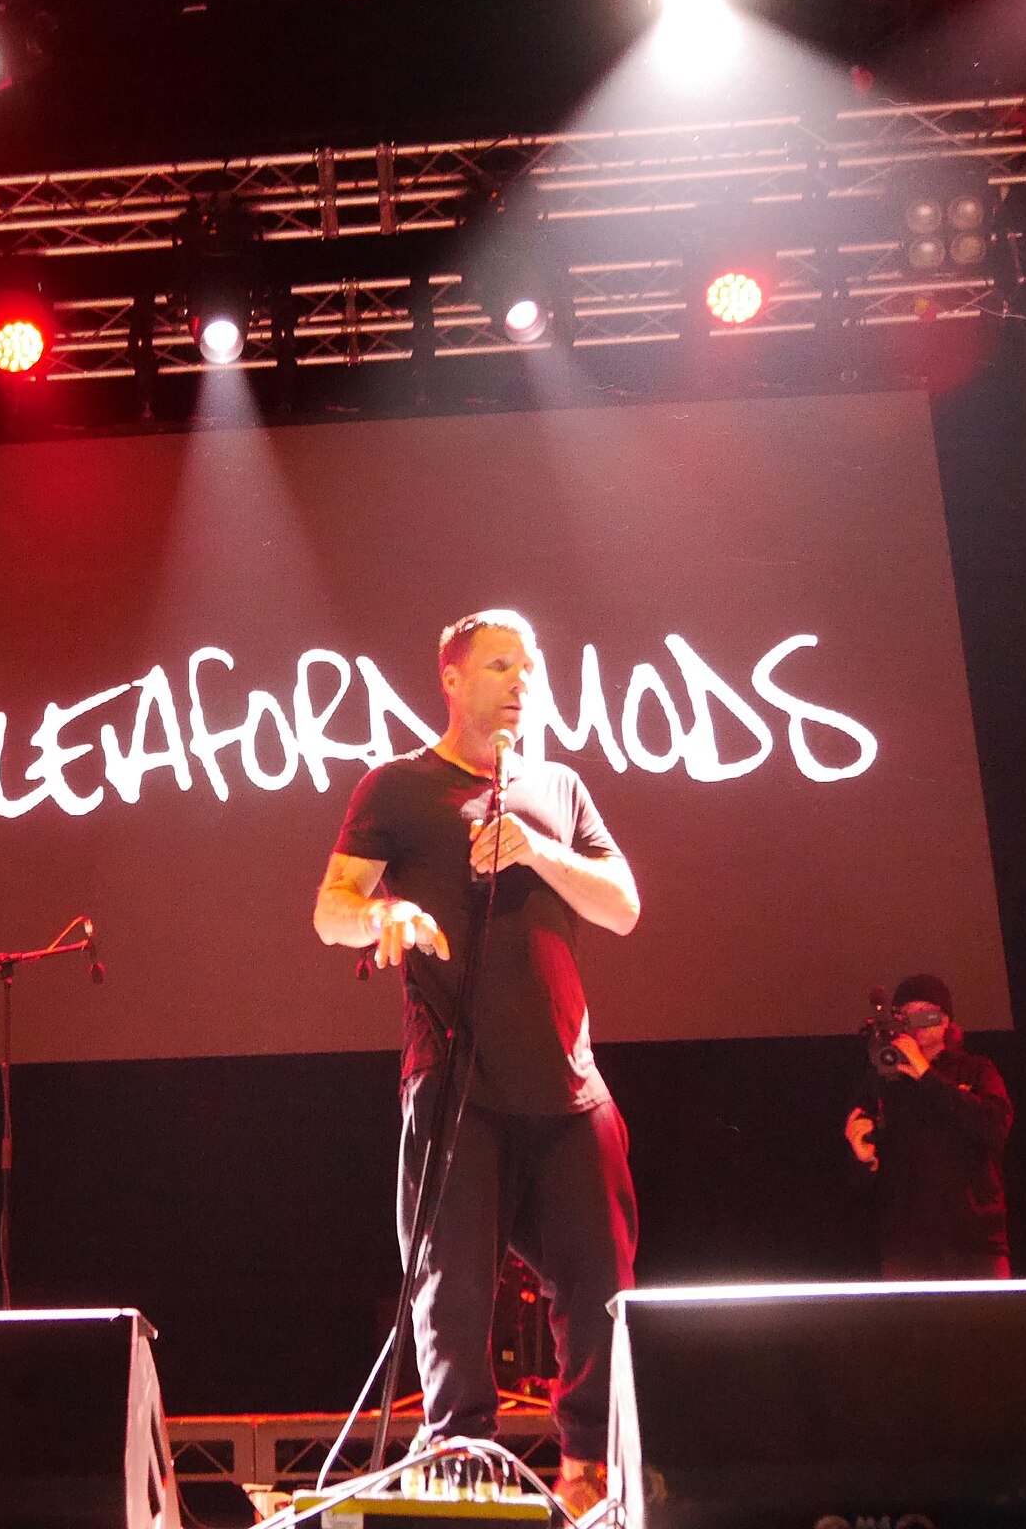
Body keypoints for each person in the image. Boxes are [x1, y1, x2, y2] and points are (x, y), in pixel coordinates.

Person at [314, 609, 640, 1511]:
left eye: (529, 668)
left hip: (569, 1081)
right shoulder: (397, 787)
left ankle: (590, 1470)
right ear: (452, 679)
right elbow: (332, 908)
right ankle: (463, 1468)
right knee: (452, 1292)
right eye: (501, 666)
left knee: (603, 1282)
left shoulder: (558, 787)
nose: (521, 682)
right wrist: (382, 914)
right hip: (458, 1081)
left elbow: (622, 905)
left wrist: (539, 850)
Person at [843, 974, 1011, 1279]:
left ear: (945, 1020)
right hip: (907, 1249)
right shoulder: (882, 1081)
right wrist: (863, 1158)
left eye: (925, 1013)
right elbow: (858, 1181)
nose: (915, 1022)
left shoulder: (976, 1070)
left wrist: (924, 1072)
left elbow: (994, 1128)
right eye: (906, 1014)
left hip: (976, 1245)